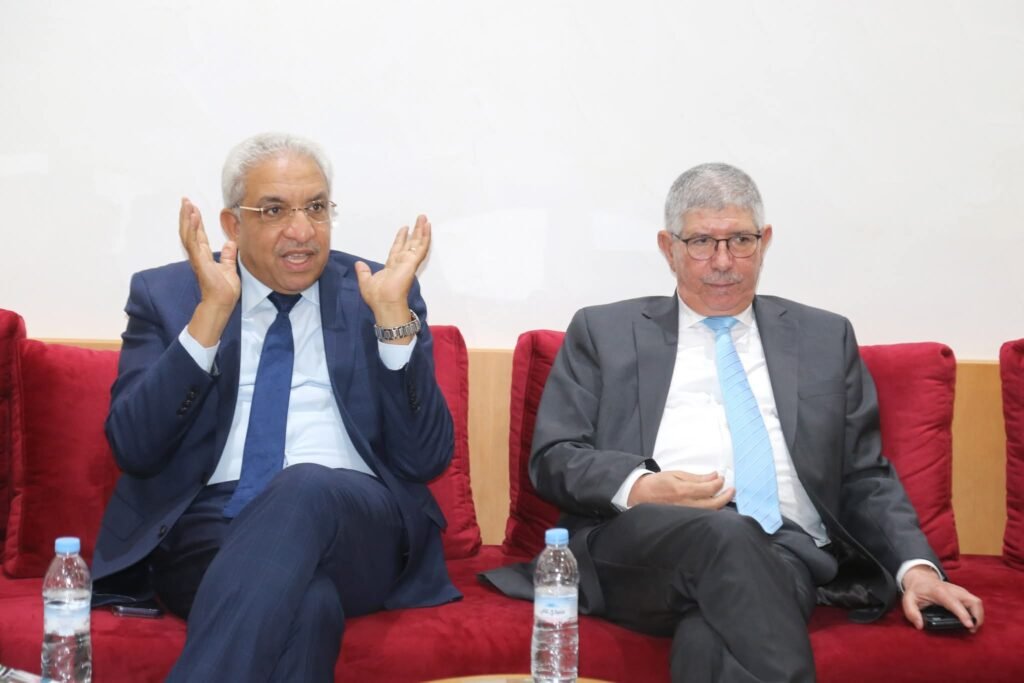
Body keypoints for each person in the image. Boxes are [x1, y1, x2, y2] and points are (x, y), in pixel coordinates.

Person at [486, 163, 983, 682]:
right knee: (727, 534)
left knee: (711, 632)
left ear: (764, 242)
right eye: (702, 241)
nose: (723, 262)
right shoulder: (603, 331)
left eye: (740, 241)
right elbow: (555, 457)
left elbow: (865, 475)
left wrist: (916, 570)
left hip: (786, 551)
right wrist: (642, 487)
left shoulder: (824, 338)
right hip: (637, 546)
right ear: (668, 247)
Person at [90, 132, 459, 681]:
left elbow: (425, 458)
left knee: (303, 486)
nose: (302, 231)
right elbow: (134, 449)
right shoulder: (167, 295)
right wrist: (210, 316)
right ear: (232, 225)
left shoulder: (377, 293)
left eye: (317, 208)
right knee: (308, 607)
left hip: (356, 524)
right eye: (274, 210)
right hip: (210, 530)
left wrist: (392, 323)